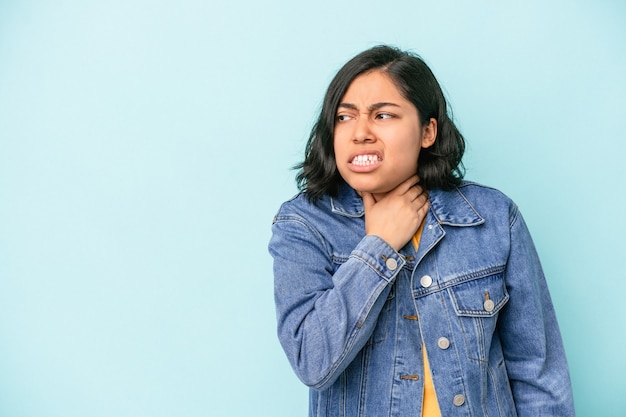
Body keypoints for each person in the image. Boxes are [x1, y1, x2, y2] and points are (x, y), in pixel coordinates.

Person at [268, 45, 575, 417]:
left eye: (382, 115)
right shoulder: (304, 225)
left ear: (428, 131)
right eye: (344, 117)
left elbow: (536, 373)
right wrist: (377, 247)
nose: (360, 132)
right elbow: (312, 361)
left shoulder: (491, 218)